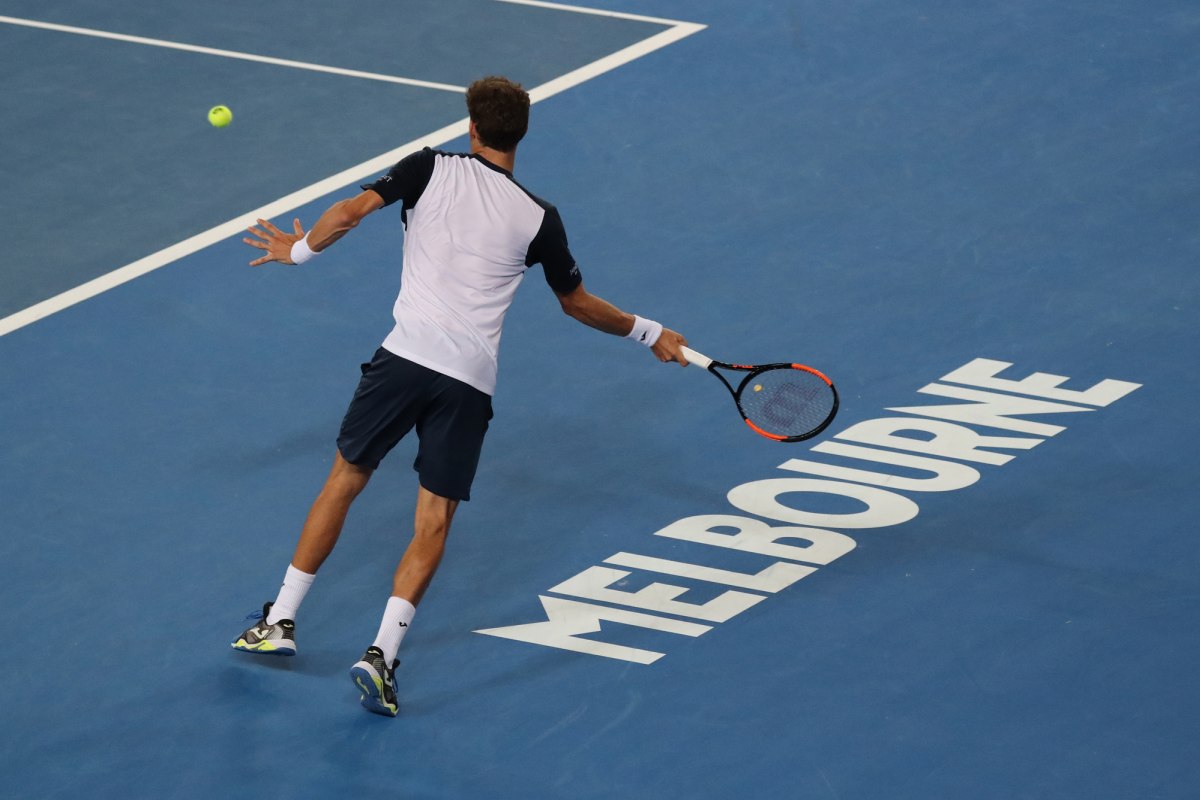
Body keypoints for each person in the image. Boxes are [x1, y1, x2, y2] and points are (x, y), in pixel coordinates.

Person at [231, 75, 688, 717]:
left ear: (471, 127)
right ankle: (382, 657)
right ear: (518, 135)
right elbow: (577, 303)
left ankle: (279, 620)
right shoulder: (540, 218)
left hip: (403, 361)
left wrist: (299, 251)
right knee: (434, 520)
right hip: (468, 382)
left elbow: (350, 212)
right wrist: (651, 333)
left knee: (345, 479)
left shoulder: (426, 167)